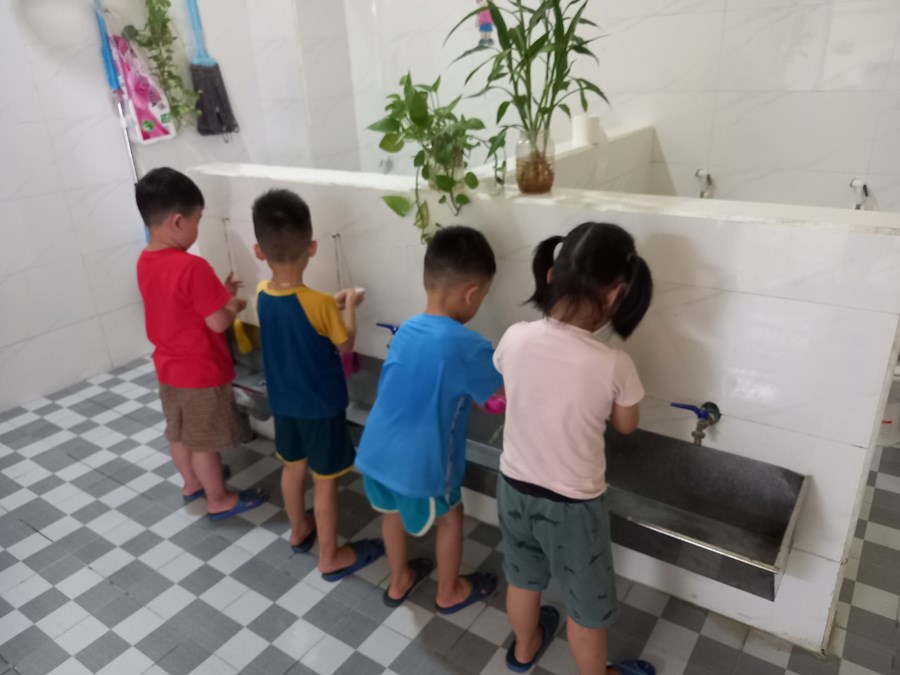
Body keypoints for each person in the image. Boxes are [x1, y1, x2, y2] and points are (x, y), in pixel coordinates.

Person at [494, 222, 656, 675]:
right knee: (586, 606)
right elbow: (626, 425)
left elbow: (512, 381)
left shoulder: (515, 336)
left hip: (513, 486)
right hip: (572, 506)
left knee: (523, 578)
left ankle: (524, 648)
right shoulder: (614, 363)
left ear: (550, 276)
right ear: (616, 293)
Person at [355, 226, 503, 611]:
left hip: (376, 453)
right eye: (484, 295)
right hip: (422, 464)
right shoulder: (468, 345)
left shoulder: (406, 330)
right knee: (451, 516)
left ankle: (399, 579)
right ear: (471, 293)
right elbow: (497, 398)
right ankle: (449, 591)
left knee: (391, 513)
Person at [252, 189, 384, 581]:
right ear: (312, 248)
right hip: (321, 407)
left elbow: (299, 315)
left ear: (259, 251)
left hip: (283, 403)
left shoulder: (261, 293)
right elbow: (345, 343)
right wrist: (349, 305)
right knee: (325, 481)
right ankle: (330, 556)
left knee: (292, 468)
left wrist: (332, 305)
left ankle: (298, 530)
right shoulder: (321, 304)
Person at [135, 167, 266, 521]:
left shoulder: (145, 261)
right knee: (204, 442)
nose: (197, 228)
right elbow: (218, 321)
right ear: (178, 221)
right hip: (200, 372)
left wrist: (219, 294)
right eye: (198, 220)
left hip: (168, 369)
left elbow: (180, 306)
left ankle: (192, 483)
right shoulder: (193, 267)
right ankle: (218, 499)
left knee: (179, 433)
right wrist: (234, 304)